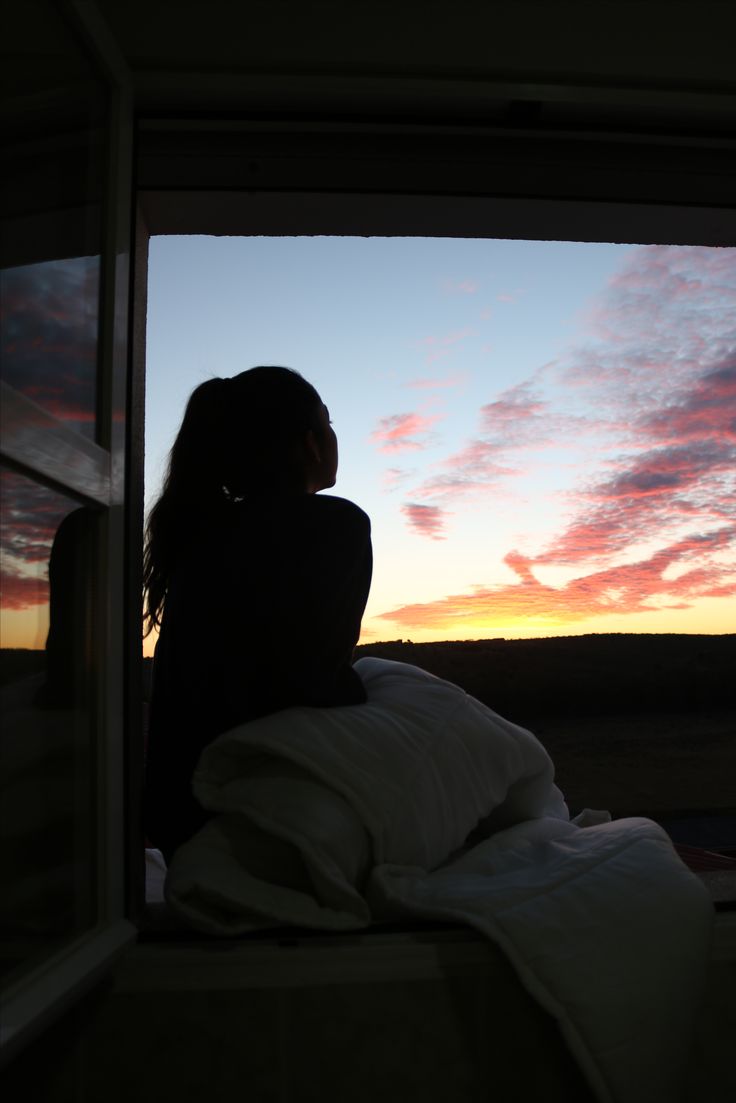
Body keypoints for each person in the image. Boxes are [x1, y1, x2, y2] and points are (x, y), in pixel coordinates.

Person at [143, 366, 372, 861]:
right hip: (255, 800)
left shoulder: (197, 530)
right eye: (328, 423)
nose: (334, 437)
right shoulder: (337, 525)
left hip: (174, 806)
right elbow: (309, 677)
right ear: (310, 443)